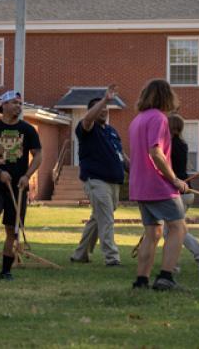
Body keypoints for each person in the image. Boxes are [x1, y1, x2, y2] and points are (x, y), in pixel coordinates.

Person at [129, 79, 188, 291]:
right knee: (178, 227)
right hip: (158, 186)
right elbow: (155, 152)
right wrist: (174, 180)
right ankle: (166, 277)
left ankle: (141, 281)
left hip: (140, 187)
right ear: (166, 96)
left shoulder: (137, 120)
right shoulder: (159, 118)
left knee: (152, 233)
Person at [0, 91, 42, 280]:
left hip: (18, 187)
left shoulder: (28, 130)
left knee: (12, 230)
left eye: (20, 103)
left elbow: (38, 155)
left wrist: (27, 175)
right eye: (14, 103)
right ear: (3, 105)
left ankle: (6, 270)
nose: (18, 106)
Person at [70, 84, 129, 266]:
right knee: (106, 219)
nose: (104, 110)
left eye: (106, 108)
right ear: (92, 111)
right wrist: (105, 99)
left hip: (114, 182)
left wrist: (138, 171)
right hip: (96, 181)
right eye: (100, 108)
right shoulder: (86, 128)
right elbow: (88, 120)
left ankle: (80, 254)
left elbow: (123, 156)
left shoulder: (112, 132)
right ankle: (112, 258)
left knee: (98, 218)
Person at [167, 113, 199, 276]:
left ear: (170, 127)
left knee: (175, 230)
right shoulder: (182, 144)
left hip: (178, 193)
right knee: (171, 231)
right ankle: (172, 265)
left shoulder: (169, 145)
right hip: (185, 191)